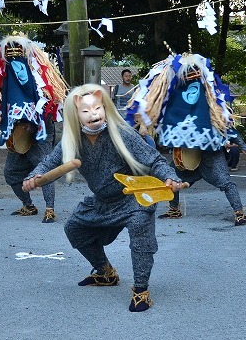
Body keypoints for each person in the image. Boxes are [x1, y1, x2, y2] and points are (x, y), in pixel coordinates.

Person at [23, 85, 184, 312]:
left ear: (104, 107)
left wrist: (170, 176)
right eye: (86, 111)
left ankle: (141, 291)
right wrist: (33, 176)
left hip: (133, 198)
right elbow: (49, 163)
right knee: (74, 228)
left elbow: (155, 159)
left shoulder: (122, 133)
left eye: (97, 108)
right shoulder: (72, 140)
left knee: (140, 229)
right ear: (75, 114)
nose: (94, 114)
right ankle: (105, 272)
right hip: (102, 201)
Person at [127, 48, 246, 226]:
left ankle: (239, 213)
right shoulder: (174, 99)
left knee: (225, 182)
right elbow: (153, 110)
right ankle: (174, 209)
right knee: (172, 177)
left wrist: (242, 144)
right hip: (184, 152)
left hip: (209, 153)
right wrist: (143, 124)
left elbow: (223, 123)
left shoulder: (208, 99)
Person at [0, 34, 68, 222]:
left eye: (19, 61)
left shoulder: (39, 80)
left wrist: (34, 123)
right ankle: (28, 205)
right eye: (11, 61)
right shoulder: (5, 81)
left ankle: (50, 208)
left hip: (40, 133)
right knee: (11, 172)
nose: (16, 67)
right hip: (17, 135)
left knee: (43, 168)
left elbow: (49, 104)